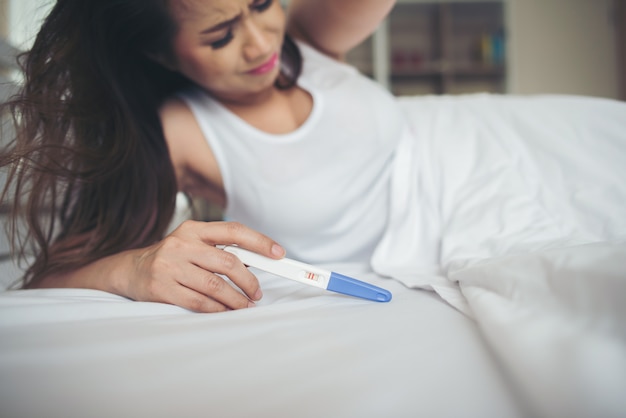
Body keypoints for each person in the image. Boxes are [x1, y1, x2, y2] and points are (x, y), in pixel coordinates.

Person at [0, 0, 399, 312]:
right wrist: (134, 268)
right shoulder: (179, 129)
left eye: (261, 4)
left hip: (457, 154)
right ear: (161, 54)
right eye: (221, 37)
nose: (261, 44)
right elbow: (49, 281)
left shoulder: (308, 35)